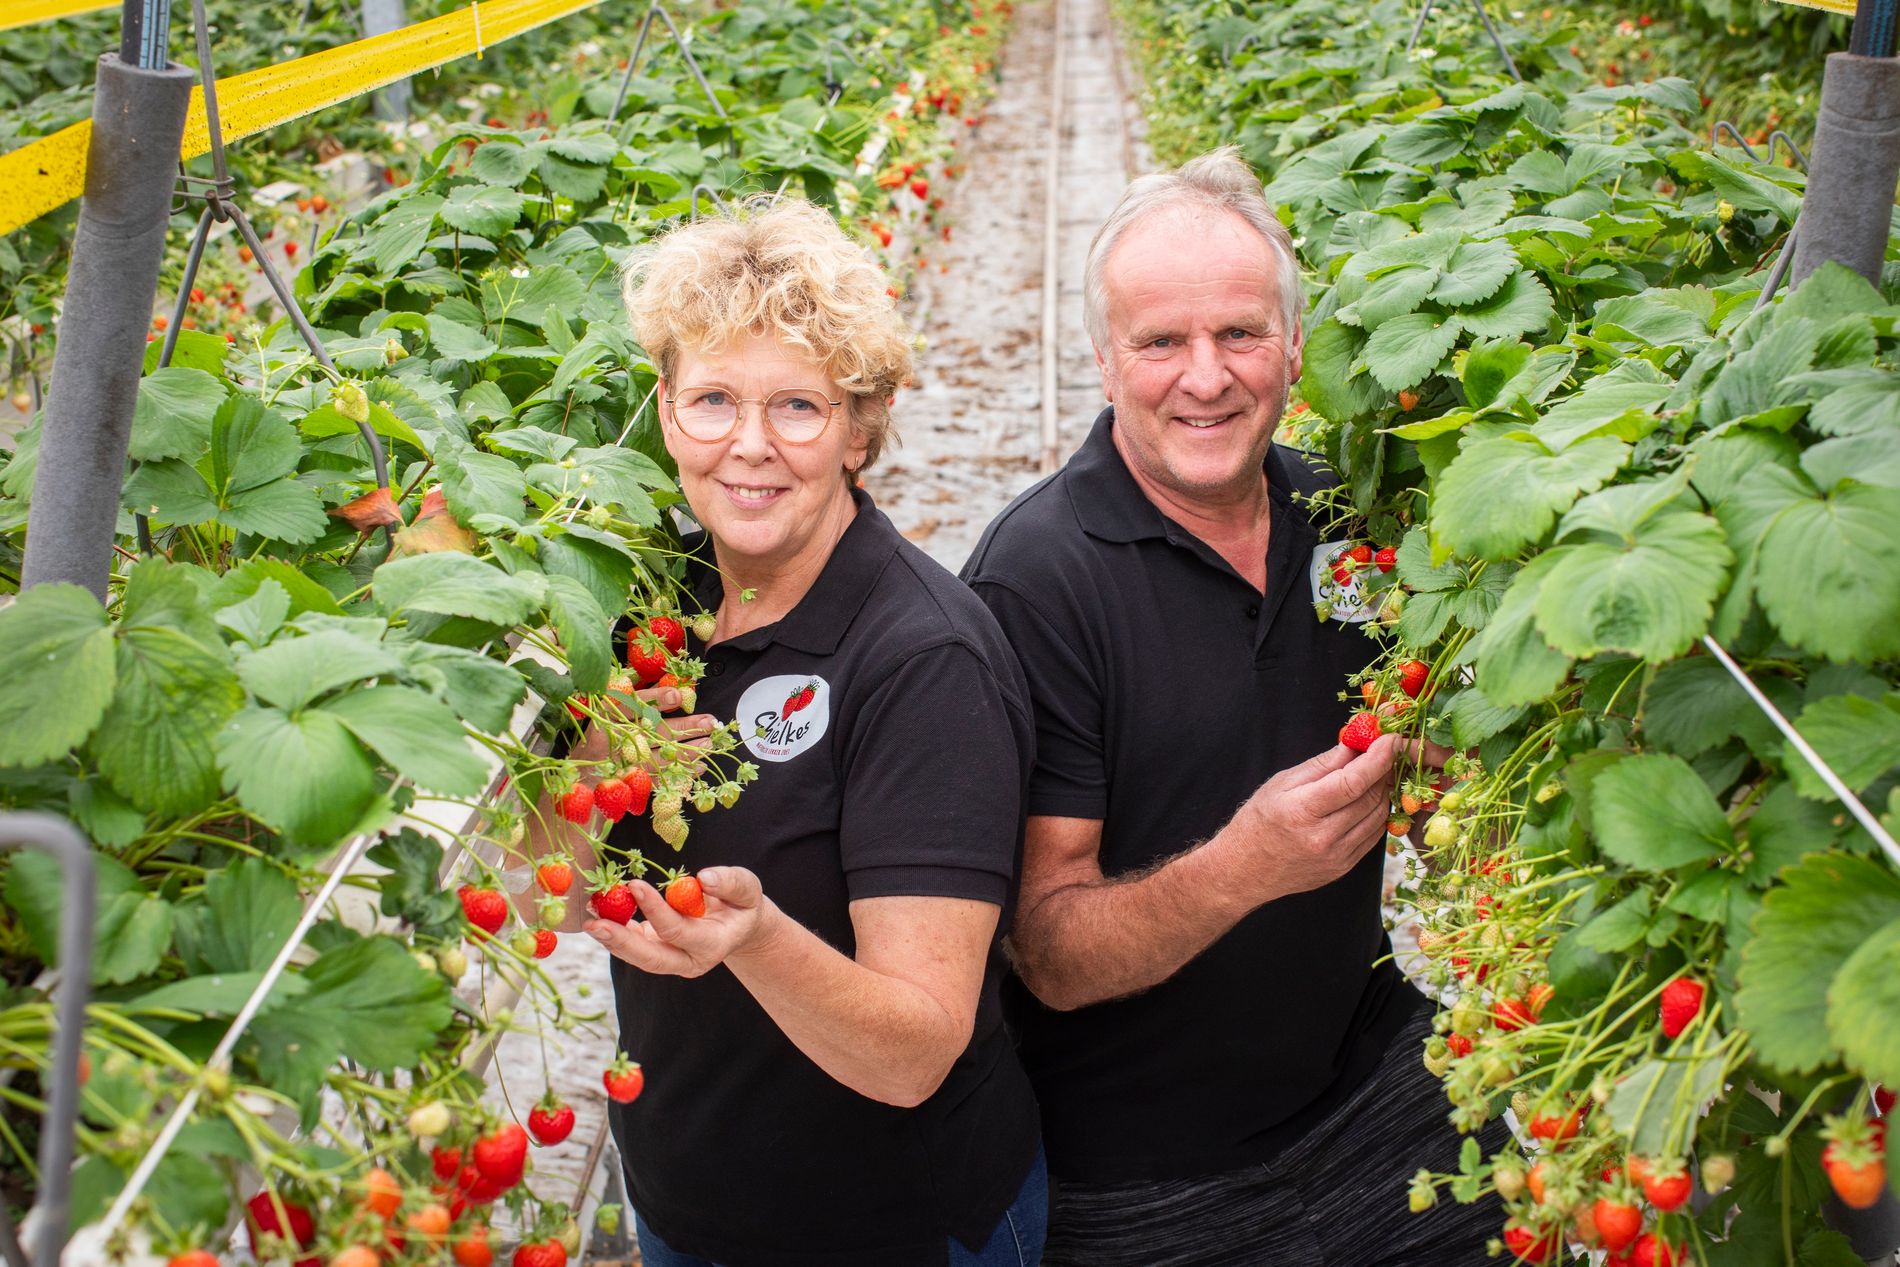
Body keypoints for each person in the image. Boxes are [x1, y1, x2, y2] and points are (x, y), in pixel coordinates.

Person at [961, 148, 1507, 1265]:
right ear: (1107, 362)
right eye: (1162, 341)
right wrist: (1247, 864)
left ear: (1294, 348)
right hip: (1142, 1168)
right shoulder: (1037, 581)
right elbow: (1044, 950)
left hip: (1366, 1079)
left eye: (1240, 334)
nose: (1205, 377)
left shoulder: (1348, 514)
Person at [536, 200, 1046, 1267]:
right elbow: (542, 894)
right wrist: (593, 763)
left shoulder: (923, 660)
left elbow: (916, 1051)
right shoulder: (643, 607)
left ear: (862, 427)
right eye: (714, 399)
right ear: (667, 412)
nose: (750, 446)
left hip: (887, 1229)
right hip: (681, 1199)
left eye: (799, 407)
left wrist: (753, 940)